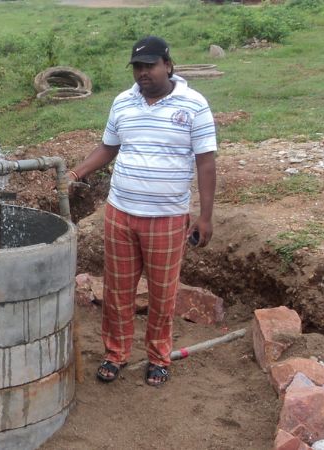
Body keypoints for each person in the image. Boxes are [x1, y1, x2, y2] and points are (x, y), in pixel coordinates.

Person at [68, 36, 217, 386]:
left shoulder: (194, 105)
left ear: (168, 64)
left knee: (163, 294)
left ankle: (158, 358)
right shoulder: (123, 103)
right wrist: (76, 173)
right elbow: (108, 148)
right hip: (120, 213)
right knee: (118, 292)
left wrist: (205, 216)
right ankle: (115, 354)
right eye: (137, 66)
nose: (143, 73)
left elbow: (206, 164)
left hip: (166, 217)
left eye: (149, 65)